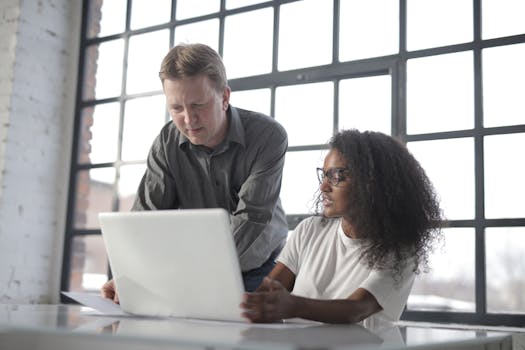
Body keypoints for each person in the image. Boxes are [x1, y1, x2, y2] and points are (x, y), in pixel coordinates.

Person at [101, 43, 289, 301]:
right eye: (176, 108)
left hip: (261, 265)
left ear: (224, 98)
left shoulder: (268, 136)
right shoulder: (166, 143)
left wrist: (191, 275)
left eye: (198, 105)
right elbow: (146, 218)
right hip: (193, 267)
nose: (188, 120)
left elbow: (251, 219)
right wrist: (130, 277)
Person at [240, 129, 443, 325]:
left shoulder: (401, 250)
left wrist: (292, 306)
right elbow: (266, 293)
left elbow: (355, 309)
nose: (323, 187)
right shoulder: (309, 230)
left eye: (337, 176)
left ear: (371, 182)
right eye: (324, 175)